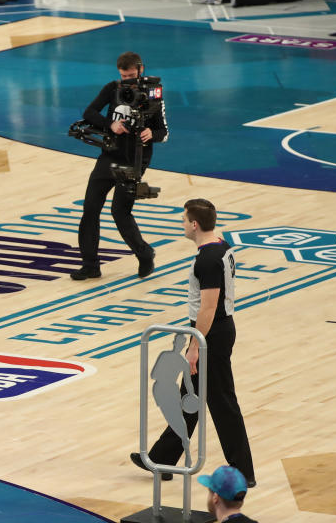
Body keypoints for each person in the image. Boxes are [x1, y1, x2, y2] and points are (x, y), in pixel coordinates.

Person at [132, 199, 256, 487]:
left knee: (221, 401)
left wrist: (194, 347)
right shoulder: (220, 246)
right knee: (191, 398)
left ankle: (243, 471)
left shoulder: (208, 260)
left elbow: (208, 308)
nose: (183, 224)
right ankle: (162, 458)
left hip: (211, 333)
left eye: (185, 220)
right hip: (215, 330)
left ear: (195, 224)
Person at [71, 52, 167, 281]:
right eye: (124, 75)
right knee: (90, 208)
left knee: (119, 212)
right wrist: (110, 124)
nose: (128, 80)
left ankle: (145, 254)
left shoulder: (154, 93)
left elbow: (164, 131)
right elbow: (89, 113)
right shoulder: (112, 88)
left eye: (132, 75)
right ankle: (90, 265)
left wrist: (150, 133)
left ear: (141, 70)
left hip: (135, 159)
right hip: (110, 155)